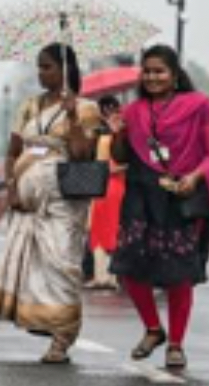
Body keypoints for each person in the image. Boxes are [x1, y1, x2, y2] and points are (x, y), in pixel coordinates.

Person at [109, 45, 209, 373]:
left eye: (159, 71)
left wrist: (193, 177)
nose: (152, 77)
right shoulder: (133, 110)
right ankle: (153, 329)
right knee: (128, 264)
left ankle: (176, 344)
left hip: (180, 197)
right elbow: (122, 156)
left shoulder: (199, 106)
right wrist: (118, 131)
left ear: (175, 75)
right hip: (140, 195)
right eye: (147, 71)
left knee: (179, 274)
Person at [0, 43, 100, 365]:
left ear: (66, 69)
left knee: (62, 266)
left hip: (64, 202)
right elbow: (12, 152)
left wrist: (73, 114)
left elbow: (81, 155)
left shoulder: (87, 108)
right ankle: (45, 323)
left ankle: (63, 337)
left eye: (48, 66)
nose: (41, 73)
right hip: (27, 204)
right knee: (35, 268)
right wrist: (11, 188)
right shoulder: (29, 107)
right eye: (39, 66)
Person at [85, 95, 127, 290]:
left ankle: (106, 276)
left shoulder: (108, 134)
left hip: (109, 186)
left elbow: (113, 164)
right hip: (110, 186)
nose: (110, 111)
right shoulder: (115, 133)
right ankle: (106, 275)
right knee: (105, 230)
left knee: (105, 230)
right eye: (107, 108)